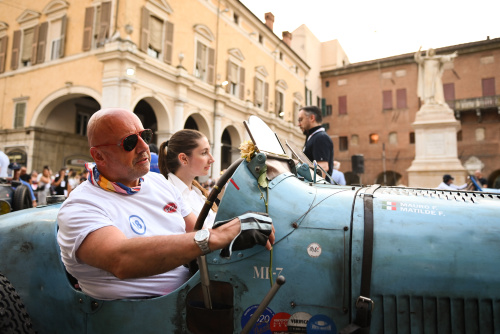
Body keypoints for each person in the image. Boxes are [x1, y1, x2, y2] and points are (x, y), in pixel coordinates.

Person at [57, 108, 274, 301]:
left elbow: (195, 232)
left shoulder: (158, 182)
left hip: (194, 296)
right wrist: (220, 235)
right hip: (142, 313)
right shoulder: (80, 205)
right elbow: (122, 259)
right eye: (129, 142)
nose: (144, 147)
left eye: (145, 136)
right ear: (99, 156)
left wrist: (242, 227)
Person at [158, 129, 217, 229]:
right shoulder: (167, 195)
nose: (212, 159)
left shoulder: (198, 191)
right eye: (204, 153)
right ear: (184, 159)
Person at [297, 106, 334, 178]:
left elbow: (322, 169)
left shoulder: (320, 137)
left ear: (312, 118)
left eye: (301, 119)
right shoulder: (314, 137)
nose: (299, 124)